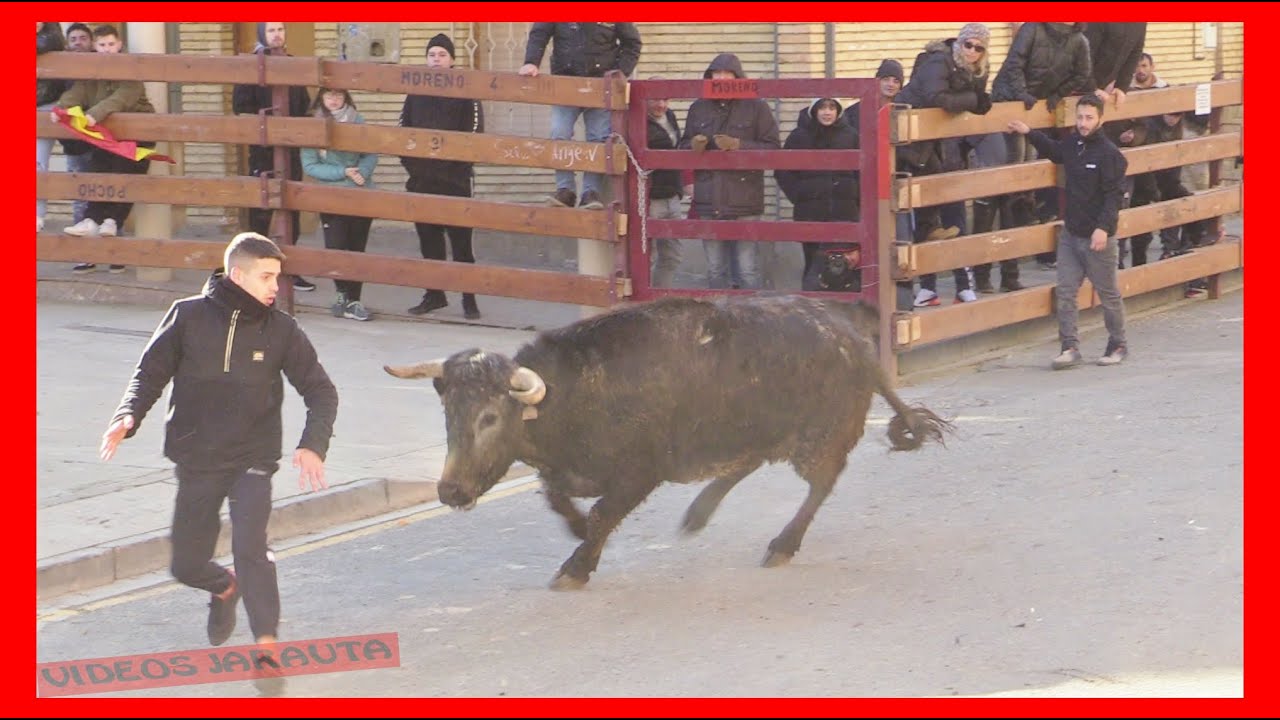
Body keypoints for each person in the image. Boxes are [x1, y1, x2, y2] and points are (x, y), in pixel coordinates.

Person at [99, 232, 339, 696]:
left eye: (277, 277)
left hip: (253, 457)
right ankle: (223, 587)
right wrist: (127, 416)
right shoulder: (187, 316)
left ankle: (266, 647)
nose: (275, 286)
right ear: (238, 274)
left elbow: (321, 390)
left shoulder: (282, 329)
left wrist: (314, 444)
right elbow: (149, 373)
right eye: (267, 277)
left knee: (251, 543)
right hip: (197, 456)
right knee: (186, 564)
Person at [1007, 94, 1129, 370]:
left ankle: (1118, 343)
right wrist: (1029, 133)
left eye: (1089, 118)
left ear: (1100, 119)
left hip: (1099, 236)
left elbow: (1115, 196)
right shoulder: (1073, 144)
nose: (1083, 123)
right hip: (1071, 233)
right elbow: (1055, 150)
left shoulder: (1110, 154)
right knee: (1065, 291)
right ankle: (1069, 346)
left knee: (1107, 293)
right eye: (1080, 117)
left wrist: (1103, 228)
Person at [54, 24, 156, 275]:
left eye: (111, 44)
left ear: (119, 44)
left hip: (137, 138)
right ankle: (91, 219)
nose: (107, 50)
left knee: (126, 177)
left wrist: (93, 114)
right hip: (109, 137)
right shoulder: (91, 74)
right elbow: (76, 92)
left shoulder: (131, 72)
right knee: (99, 170)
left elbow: (120, 98)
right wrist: (61, 109)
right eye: (101, 45)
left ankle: (112, 220)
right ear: (95, 47)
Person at [400, 33, 485, 319]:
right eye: (432, 54)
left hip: (455, 182)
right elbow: (403, 133)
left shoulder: (466, 93)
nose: (436, 59)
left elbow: (475, 134)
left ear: (451, 60)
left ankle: (469, 299)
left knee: (462, 245)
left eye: (442, 55)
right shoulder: (416, 93)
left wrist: (454, 169)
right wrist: (415, 167)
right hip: (422, 180)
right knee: (429, 242)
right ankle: (434, 295)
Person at [680, 52, 781, 290]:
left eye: (727, 73)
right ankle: (719, 324)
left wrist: (739, 146)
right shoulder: (698, 107)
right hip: (708, 198)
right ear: (709, 77)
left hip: (744, 199)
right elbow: (682, 146)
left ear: (738, 77)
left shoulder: (757, 107)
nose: (722, 78)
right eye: (716, 73)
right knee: (715, 269)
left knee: (747, 270)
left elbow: (773, 148)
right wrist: (694, 146)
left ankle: (752, 322)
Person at [520, 22, 642, 209]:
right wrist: (531, 62)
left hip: (601, 87)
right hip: (566, 82)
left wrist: (620, 72)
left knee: (598, 139)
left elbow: (632, 43)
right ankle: (565, 191)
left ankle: (590, 193)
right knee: (559, 133)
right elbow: (540, 33)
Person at [232, 22, 316, 292]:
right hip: (262, 151)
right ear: (262, 34)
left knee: (291, 208)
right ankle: (254, 272)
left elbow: (303, 106)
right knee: (260, 210)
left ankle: (287, 271)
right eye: (271, 30)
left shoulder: (292, 65)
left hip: (290, 149)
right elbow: (240, 107)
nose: (277, 34)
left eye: (280, 29)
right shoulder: (250, 66)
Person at [301, 86, 378, 322]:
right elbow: (310, 165)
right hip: (331, 195)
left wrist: (361, 173)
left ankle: (354, 299)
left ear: (345, 97)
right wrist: (343, 171)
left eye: (338, 95)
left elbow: (371, 152)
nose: (334, 99)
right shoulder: (313, 124)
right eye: (329, 95)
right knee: (336, 246)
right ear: (321, 98)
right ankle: (342, 295)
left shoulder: (357, 119)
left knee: (356, 248)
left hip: (360, 193)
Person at [775, 96, 858, 291]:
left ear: (838, 111)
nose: (827, 112)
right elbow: (782, 171)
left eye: (831, 107)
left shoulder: (851, 135)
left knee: (844, 266)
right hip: (811, 211)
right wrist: (800, 195)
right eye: (822, 107)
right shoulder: (799, 137)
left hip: (844, 212)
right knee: (813, 264)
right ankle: (811, 308)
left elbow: (862, 172)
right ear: (814, 110)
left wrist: (855, 196)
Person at [642, 77, 686, 289]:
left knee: (672, 255)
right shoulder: (637, 120)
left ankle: (661, 298)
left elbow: (676, 148)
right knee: (646, 257)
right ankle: (643, 301)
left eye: (665, 99)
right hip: (651, 198)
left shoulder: (670, 116)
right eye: (655, 99)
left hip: (672, 194)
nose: (661, 104)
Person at [59, 23, 96, 228]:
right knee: (80, 195)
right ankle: (83, 255)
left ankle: (113, 251)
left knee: (107, 194)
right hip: (74, 143)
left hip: (102, 140)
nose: (78, 43)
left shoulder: (105, 63)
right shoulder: (61, 69)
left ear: (91, 42)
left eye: (82, 38)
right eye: (73, 39)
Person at [37, 21, 68, 234]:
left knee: (38, 163)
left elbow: (50, 42)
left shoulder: (52, 32)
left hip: (46, 104)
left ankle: (36, 214)